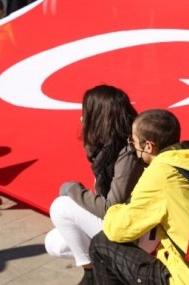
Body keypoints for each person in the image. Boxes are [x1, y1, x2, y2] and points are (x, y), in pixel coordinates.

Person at [89, 109, 189, 285]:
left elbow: (119, 229)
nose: (132, 146)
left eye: (133, 141)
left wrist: (115, 209)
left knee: (101, 244)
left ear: (148, 146)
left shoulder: (161, 172)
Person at [45, 85, 144, 285]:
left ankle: (91, 275)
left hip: (133, 230)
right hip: (119, 223)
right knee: (55, 243)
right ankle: (101, 269)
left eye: (86, 112)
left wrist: (73, 190)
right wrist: (88, 136)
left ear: (98, 116)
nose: (82, 117)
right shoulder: (108, 146)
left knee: (61, 206)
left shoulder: (128, 151)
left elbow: (110, 207)